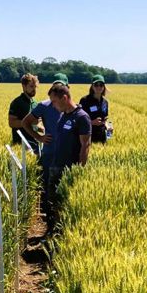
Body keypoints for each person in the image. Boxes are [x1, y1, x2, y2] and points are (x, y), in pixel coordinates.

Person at [43, 82, 91, 224]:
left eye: (54, 102)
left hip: (68, 169)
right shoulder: (63, 116)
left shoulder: (81, 117)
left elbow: (85, 145)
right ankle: (51, 233)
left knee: (63, 205)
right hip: (56, 165)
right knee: (53, 204)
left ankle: (59, 235)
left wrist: (78, 171)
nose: (53, 105)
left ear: (64, 98)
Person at [22, 73, 69, 169]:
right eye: (56, 87)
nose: (58, 91)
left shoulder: (73, 108)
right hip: (49, 154)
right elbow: (25, 123)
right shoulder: (44, 105)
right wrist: (39, 137)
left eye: (62, 87)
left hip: (67, 156)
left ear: (67, 88)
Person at [8, 73, 39, 148]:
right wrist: (29, 122)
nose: (34, 89)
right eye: (31, 86)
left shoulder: (35, 103)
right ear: (24, 86)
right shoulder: (16, 103)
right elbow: (11, 123)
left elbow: (37, 124)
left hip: (34, 143)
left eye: (35, 86)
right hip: (20, 144)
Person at [79, 74, 110, 143]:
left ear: (104, 87)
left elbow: (105, 118)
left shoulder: (105, 102)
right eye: (96, 85)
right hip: (88, 136)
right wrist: (92, 122)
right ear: (92, 86)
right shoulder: (85, 100)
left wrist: (108, 126)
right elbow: (79, 120)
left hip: (101, 136)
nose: (99, 87)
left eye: (101, 85)